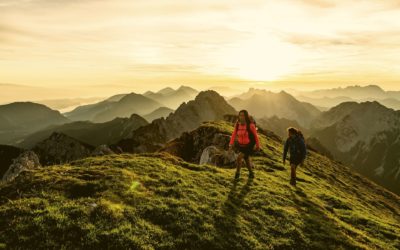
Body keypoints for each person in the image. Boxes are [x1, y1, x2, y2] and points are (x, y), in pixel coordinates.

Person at [229, 110, 260, 179]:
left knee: (239, 158)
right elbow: (234, 134)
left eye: (243, 115)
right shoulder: (237, 125)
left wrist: (258, 146)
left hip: (249, 145)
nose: (241, 117)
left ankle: (237, 174)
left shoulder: (251, 125)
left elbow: (255, 136)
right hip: (241, 145)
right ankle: (251, 173)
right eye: (240, 115)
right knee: (246, 159)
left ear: (246, 116)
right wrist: (230, 144)